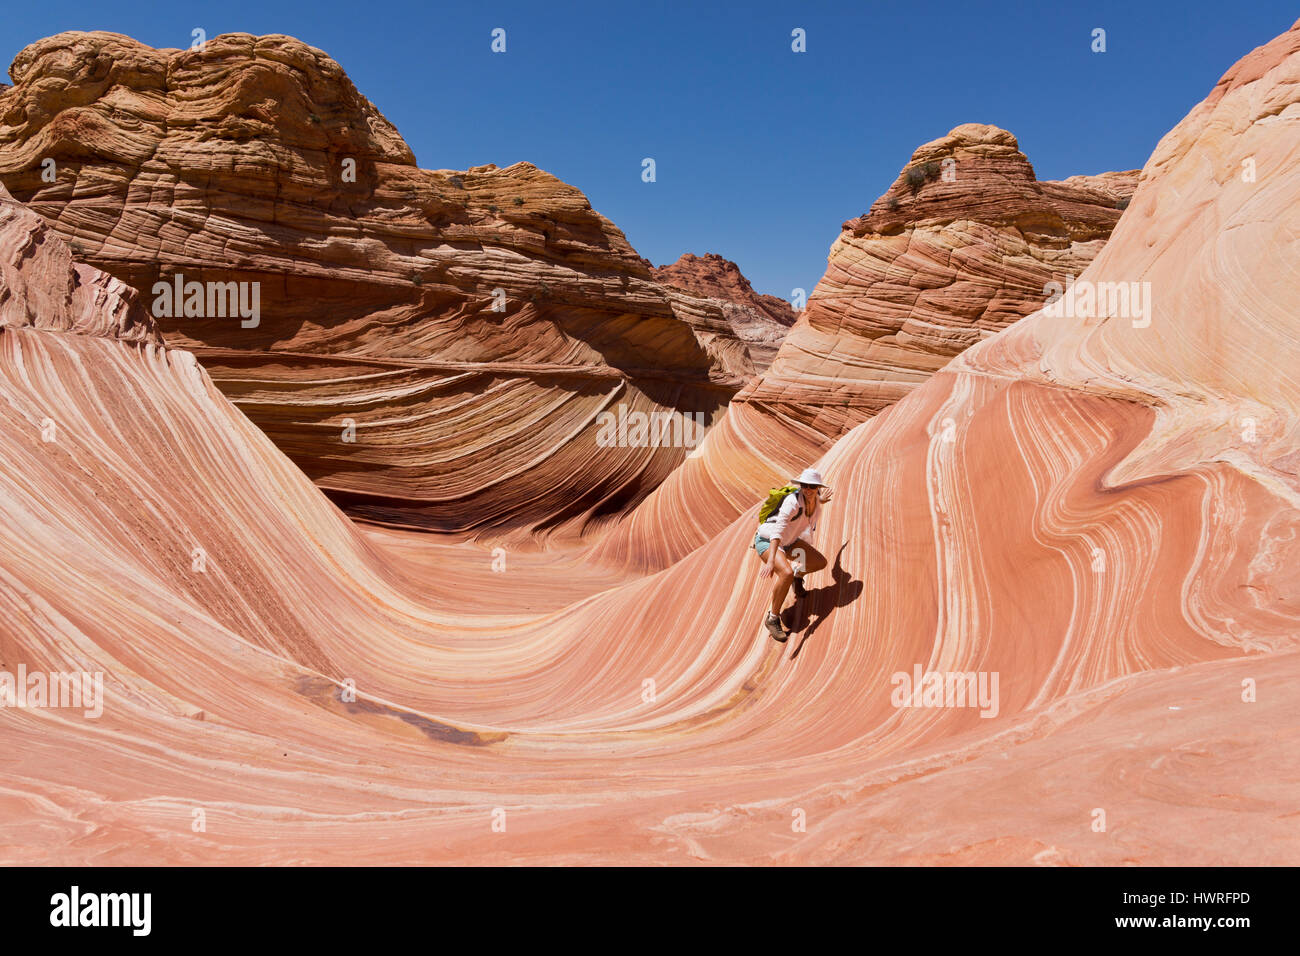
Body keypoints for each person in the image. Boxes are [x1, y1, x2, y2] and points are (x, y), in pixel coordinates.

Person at [753, 468, 832, 642]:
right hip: (768, 540)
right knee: (785, 573)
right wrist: (771, 560)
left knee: (820, 562)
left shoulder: (813, 500)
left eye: (812, 486)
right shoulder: (792, 502)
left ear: (817, 487)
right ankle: (772, 619)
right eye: (805, 485)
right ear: (801, 486)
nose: (808, 489)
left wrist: (821, 500)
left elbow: (811, 503)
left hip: (789, 542)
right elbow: (778, 531)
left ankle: (798, 578)